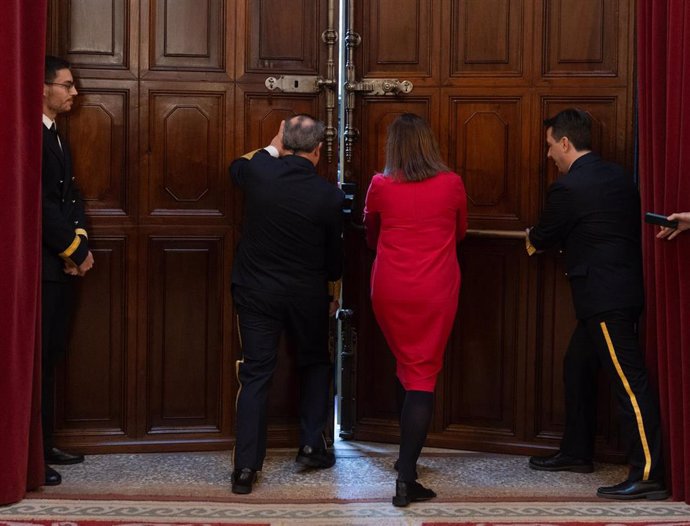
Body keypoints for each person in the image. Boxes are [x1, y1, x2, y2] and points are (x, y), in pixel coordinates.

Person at [526, 108, 668, 500]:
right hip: (617, 291)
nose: (549, 154)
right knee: (577, 366)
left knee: (629, 382)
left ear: (566, 142)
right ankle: (576, 452)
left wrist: (531, 237)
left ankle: (650, 473)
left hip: (604, 298)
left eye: (551, 146)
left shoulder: (569, 187)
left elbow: (543, 236)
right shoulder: (619, 175)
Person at [228, 115, 344, 495]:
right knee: (314, 364)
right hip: (307, 295)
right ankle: (312, 445)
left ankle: (245, 468)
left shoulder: (260, 171)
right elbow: (334, 256)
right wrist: (332, 291)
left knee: (256, 373)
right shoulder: (330, 195)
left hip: (256, 293)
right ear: (319, 150)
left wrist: (272, 145)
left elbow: (236, 168)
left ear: (283, 140)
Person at [363, 113, 468, 507]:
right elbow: (460, 232)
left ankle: (404, 458)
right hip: (435, 289)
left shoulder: (380, 185)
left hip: (389, 288)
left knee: (405, 364)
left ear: (394, 147)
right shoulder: (452, 184)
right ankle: (407, 477)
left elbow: (372, 236)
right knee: (422, 373)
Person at [41, 56, 94, 486]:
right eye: (66, 85)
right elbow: (39, 206)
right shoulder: (29, 136)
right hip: (41, 267)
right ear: (42, 88)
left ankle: (42, 444)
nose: (74, 92)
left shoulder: (56, 136)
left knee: (51, 357)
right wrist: (72, 250)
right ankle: (32, 454)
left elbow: (71, 197)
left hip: (59, 263)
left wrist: (79, 244)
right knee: (37, 361)